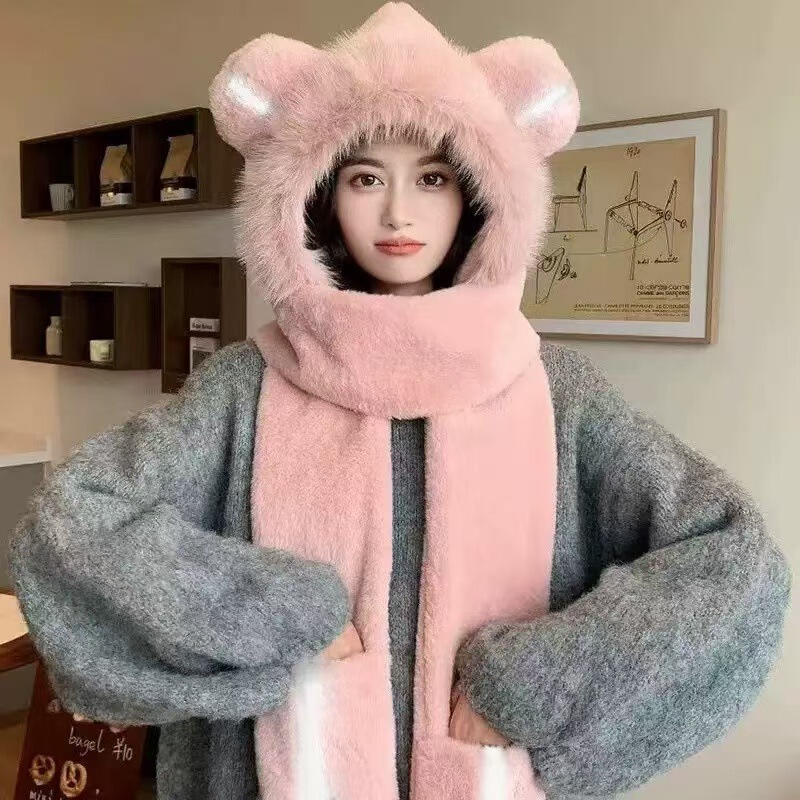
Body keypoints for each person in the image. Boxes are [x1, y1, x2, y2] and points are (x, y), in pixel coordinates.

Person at [9, 5, 790, 800]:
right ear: (317, 195)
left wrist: (537, 685)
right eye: (365, 178)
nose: (398, 212)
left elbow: (734, 563)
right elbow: (71, 524)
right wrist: (274, 618)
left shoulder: (555, 394)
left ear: (478, 194)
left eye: (433, 177)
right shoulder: (247, 387)